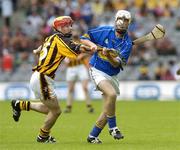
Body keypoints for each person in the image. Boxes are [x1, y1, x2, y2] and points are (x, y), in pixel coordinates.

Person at [11, 16, 92, 143]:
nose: (69, 27)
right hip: (43, 78)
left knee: (48, 109)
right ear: (58, 28)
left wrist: (37, 50)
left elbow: (41, 48)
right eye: (65, 26)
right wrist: (94, 49)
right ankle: (43, 136)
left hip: (40, 77)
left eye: (70, 25)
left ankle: (19, 105)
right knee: (56, 111)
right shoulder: (60, 39)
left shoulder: (50, 38)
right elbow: (77, 48)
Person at [80, 10, 133, 143]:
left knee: (107, 109)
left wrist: (109, 55)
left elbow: (116, 65)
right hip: (97, 69)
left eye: (125, 20)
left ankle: (92, 136)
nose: (122, 22)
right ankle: (113, 128)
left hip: (112, 75)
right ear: (115, 20)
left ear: (129, 23)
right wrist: (93, 46)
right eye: (120, 19)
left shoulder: (127, 44)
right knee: (112, 94)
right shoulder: (104, 31)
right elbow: (84, 38)